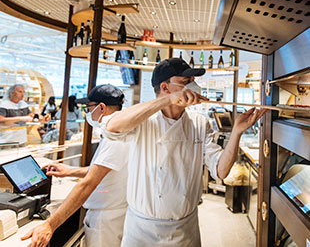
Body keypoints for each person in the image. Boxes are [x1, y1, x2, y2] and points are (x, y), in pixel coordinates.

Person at [104, 58, 267, 246]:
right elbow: (112, 126)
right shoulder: (143, 120)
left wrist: (237, 131)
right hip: (142, 231)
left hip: (185, 230)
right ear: (165, 88)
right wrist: (168, 100)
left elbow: (221, 171)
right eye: (186, 82)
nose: (194, 87)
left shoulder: (199, 123)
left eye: (193, 82)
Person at [21, 84, 129, 247]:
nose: (86, 112)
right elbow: (103, 169)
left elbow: (88, 184)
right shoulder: (118, 132)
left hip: (107, 221)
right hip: (111, 216)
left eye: (88, 107)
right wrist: (69, 172)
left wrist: (50, 224)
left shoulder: (116, 137)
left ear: (101, 107)